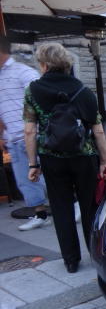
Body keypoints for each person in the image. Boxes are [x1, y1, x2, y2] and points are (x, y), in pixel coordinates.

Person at [24, 42, 106, 273]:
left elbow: (30, 130)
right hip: (84, 156)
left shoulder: (32, 91)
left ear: (43, 64)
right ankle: (96, 253)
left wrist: (33, 163)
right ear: (66, 63)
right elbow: (98, 130)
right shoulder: (83, 90)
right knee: (90, 206)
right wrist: (104, 162)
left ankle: (71, 260)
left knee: (61, 208)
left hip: (52, 157)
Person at [0, 36, 49, 230]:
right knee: (24, 179)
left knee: (49, 175)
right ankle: (40, 214)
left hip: (32, 135)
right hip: (13, 137)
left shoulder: (24, 72)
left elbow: (41, 101)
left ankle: (73, 204)